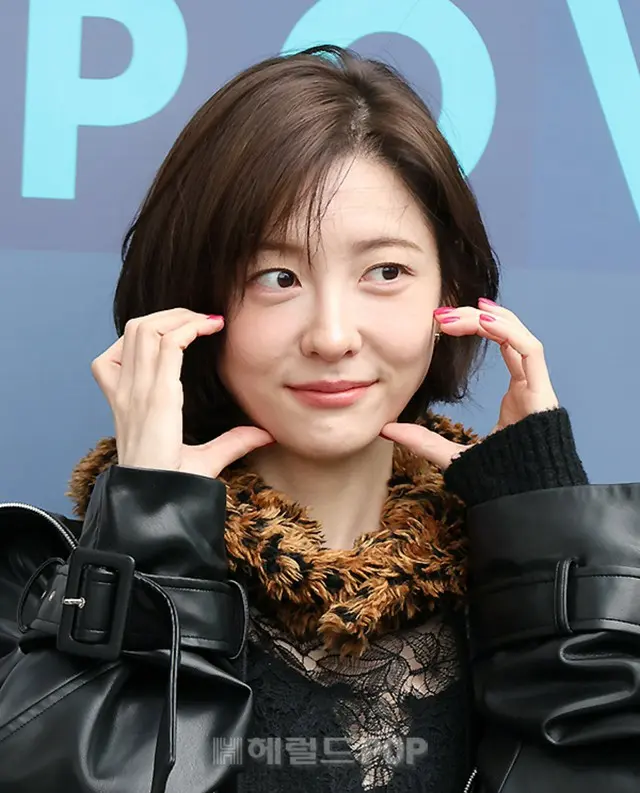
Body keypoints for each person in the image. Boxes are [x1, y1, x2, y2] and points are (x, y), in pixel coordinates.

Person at [0, 45, 638, 793]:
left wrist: (549, 541)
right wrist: (148, 539)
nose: (332, 335)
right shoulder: (33, 590)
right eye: (277, 277)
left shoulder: (523, 581)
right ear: (193, 303)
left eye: (386, 272)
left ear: (451, 295)